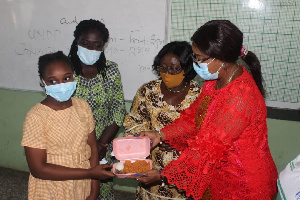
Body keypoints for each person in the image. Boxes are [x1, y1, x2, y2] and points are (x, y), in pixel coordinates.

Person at [143, 20, 278, 200]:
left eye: (200, 58)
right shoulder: (214, 82)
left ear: (222, 59)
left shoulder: (239, 98)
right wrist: (161, 135)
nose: (196, 63)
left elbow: (206, 148)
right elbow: (194, 118)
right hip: (221, 177)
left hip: (245, 185)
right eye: (194, 56)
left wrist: (162, 175)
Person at [21, 51, 115, 200]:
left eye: (66, 78)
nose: (61, 85)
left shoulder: (82, 106)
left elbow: (92, 149)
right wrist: (89, 173)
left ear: (73, 76)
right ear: (43, 81)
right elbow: (38, 169)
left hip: (82, 185)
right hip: (52, 187)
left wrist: (94, 190)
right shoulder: (36, 116)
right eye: (53, 81)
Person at [123, 41, 209, 199]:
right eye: (162, 67)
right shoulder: (148, 91)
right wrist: (150, 138)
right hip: (151, 167)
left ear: (187, 68)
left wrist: (179, 142)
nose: (167, 73)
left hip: (184, 171)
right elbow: (132, 123)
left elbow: (205, 136)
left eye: (174, 69)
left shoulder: (199, 95)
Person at [68, 19, 126, 199]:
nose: (90, 49)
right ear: (77, 42)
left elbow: (118, 110)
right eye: (85, 44)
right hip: (69, 147)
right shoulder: (64, 70)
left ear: (103, 47)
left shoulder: (110, 71)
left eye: (96, 45)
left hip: (103, 145)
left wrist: (101, 145)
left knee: (101, 191)